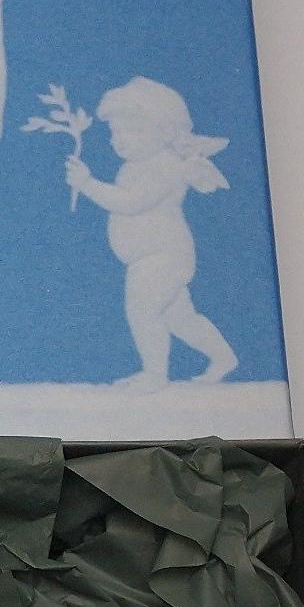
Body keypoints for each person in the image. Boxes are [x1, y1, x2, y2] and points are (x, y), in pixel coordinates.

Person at [64, 77, 237, 384]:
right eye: (115, 131)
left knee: (142, 310)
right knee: (180, 318)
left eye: (133, 130)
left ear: (165, 132)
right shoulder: (136, 165)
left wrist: (87, 184)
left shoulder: (165, 165)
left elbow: (132, 202)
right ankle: (223, 358)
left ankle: (154, 374)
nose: (120, 139)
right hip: (154, 258)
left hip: (161, 256)